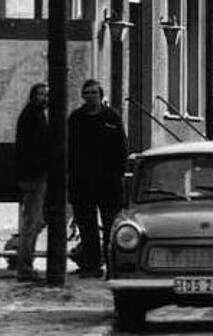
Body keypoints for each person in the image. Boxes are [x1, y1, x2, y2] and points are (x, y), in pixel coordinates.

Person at [66, 78, 127, 277]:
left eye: (94, 92)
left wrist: (119, 174)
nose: (91, 96)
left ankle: (112, 266)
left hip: (108, 183)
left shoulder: (112, 117)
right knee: (87, 225)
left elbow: (121, 148)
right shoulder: (76, 119)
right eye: (88, 92)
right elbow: (69, 149)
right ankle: (91, 265)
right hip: (82, 182)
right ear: (83, 96)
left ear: (101, 95)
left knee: (111, 225)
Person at [13, 82, 50, 280]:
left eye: (46, 95)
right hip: (33, 176)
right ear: (33, 96)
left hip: (33, 174)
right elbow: (33, 149)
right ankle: (25, 266)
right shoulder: (32, 117)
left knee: (33, 221)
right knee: (31, 222)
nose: (44, 98)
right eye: (41, 94)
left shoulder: (34, 115)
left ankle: (26, 264)